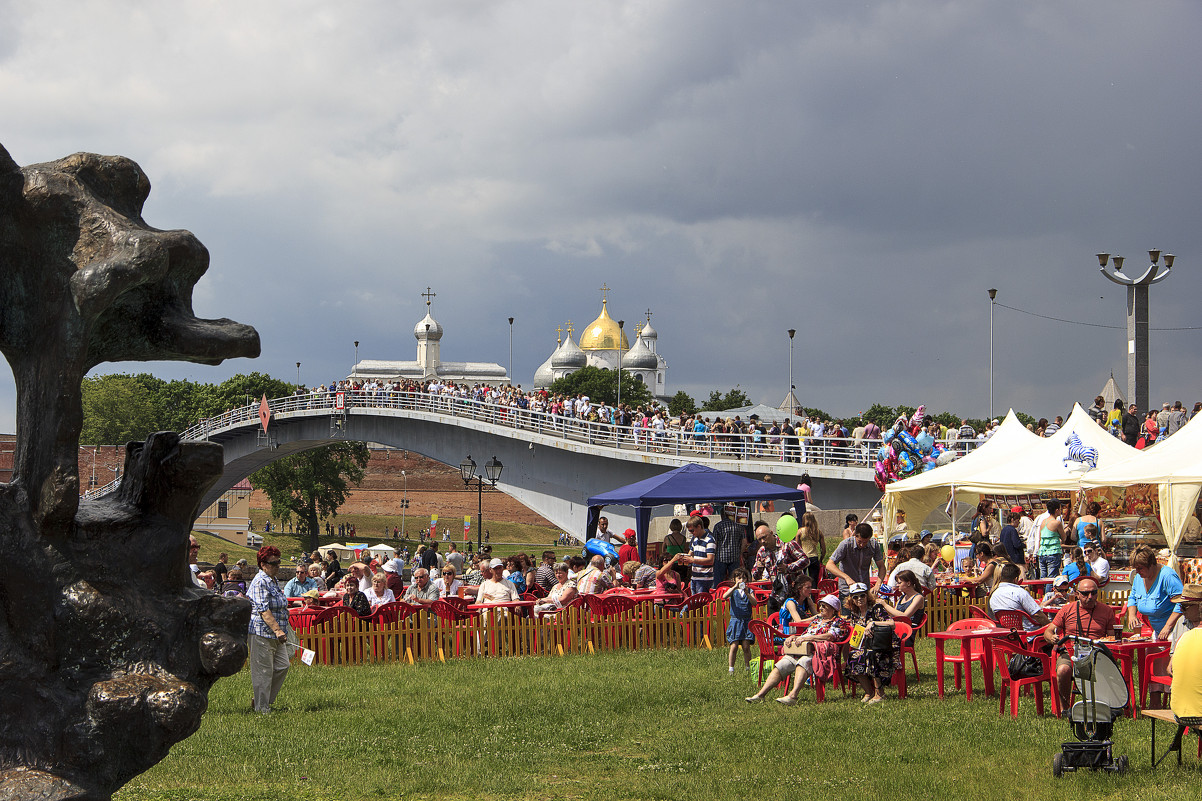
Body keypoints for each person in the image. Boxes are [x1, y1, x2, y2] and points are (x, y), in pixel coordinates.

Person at [746, 594, 849, 704]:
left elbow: (830, 636)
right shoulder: (817, 620)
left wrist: (809, 638)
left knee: (804, 662)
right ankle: (760, 695)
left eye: (824, 606)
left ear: (833, 609)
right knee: (783, 663)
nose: (821, 608)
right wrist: (795, 637)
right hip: (803, 650)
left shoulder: (839, 622)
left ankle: (793, 696)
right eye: (821, 605)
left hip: (820, 653)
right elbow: (805, 633)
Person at [1044, 577, 1117, 712]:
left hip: (1097, 653)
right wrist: (1052, 637)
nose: (1090, 597)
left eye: (1094, 593)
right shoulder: (1067, 609)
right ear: (1077, 594)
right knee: (1063, 670)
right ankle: (1065, 710)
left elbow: (1112, 636)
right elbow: (1048, 631)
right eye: (1085, 594)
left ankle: (1109, 706)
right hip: (1071, 652)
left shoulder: (1106, 611)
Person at [247, 545, 291, 714]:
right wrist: (277, 630)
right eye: (273, 563)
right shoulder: (260, 582)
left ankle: (262, 699)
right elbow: (264, 610)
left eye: (278, 563)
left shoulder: (272, 580)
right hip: (261, 633)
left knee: (283, 666)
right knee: (263, 672)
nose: (277, 566)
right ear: (262, 564)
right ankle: (262, 709)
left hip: (277, 634)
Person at [842, 582, 899, 704]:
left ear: (867, 596)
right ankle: (869, 691)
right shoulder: (854, 613)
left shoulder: (876, 608)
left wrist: (873, 623)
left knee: (870, 655)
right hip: (866, 645)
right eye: (855, 597)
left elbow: (891, 624)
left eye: (862, 595)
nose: (859, 599)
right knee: (853, 657)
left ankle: (880, 693)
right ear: (851, 599)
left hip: (885, 645)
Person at [1126, 545, 1184, 639]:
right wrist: (1132, 615)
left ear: (1152, 564)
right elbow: (1132, 598)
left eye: (1140, 568)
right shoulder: (1138, 578)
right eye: (1135, 568)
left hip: (1174, 630)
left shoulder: (1168, 576)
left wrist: (1168, 626)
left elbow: (1181, 602)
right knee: (1149, 653)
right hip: (1157, 630)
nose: (1137, 572)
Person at [825, 523, 886, 600]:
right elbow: (829, 565)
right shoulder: (846, 544)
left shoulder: (873, 545)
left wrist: (878, 584)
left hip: (864, 590)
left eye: (865, 542)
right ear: (855, 535)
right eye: (859, 541)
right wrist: (846, 577)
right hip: (847, 591)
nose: (862, 545)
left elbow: (881, 567)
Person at [986, 562, 1049, 629]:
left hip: (1006, 633)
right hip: (1029, 633)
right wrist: (1050, 625)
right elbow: (1037, 615)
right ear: (1016, 579)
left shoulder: (994, 594)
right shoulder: (1020, 592)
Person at [723, 568, 754, 674]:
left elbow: (754, 603)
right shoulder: (733, 591)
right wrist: (735, 587)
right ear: (734, 579)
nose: (741, 580)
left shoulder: (749, 591)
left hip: (746, 621)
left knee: (746, 646)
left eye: (744, 578)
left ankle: (748, 667)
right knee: (734, 645)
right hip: (735, 621)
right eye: (739, 578)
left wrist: (747, 594)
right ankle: (731, 668)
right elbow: (724, 596)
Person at [711, 508, 746, 584]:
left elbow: (714, 543)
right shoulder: (739, 526)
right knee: (735, 581)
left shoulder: (718, 526)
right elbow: (744, 542)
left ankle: (719, 594)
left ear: (722, 515)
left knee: (718, 581)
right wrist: (740, 553)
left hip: (720, 557)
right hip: (735, 557)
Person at [682, 516, 715, 593]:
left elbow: (710, 560)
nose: (691, 533)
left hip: (704, 578)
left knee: (700, 603)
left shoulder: (710, 540)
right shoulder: (695, 539)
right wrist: (683, 558)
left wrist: (692, 560)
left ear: (699, 527)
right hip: (694, 577)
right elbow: (690, 554)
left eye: (692, 530)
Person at [1036, 499, 1066, 578]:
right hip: (1053, 552)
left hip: (1042, 552)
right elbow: (1064, 538)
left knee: (1043, 578)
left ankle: (1043, 591)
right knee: (1051, 578)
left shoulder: (1043, 521)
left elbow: (1040, 538)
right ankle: (1049, 591)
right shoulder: (1057, 523)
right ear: (1057, 510)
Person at [794, 511, 825, 586]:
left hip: (803, 558)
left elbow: (796, 548)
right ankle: (814, 597)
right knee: (814, 581)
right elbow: (823, 549)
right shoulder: (818, 532)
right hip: (814, 557)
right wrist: (820, 559)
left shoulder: (800, 531)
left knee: (802, 581)